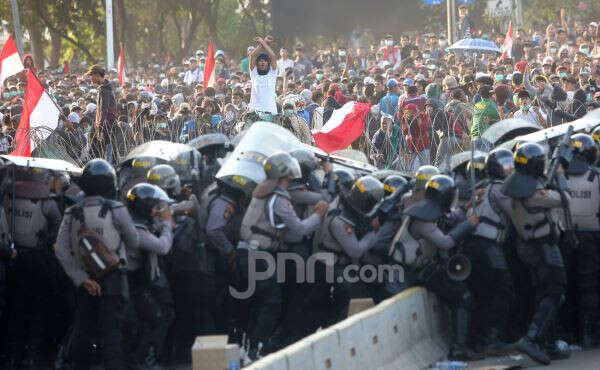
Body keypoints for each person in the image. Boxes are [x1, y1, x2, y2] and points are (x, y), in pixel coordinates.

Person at [237, 151, 327, 359]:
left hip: (246, 252)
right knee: (271, 303)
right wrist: (318, 215)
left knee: (257, 302)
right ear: (287, 174)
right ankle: (256, 349)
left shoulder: (262, 191)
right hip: (258, 256)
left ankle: (246, 347)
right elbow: (300, 229)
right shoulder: (279, 199)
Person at [55, 159, 139, 370]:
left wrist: (82, 279)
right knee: (113, 334)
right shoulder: (116, 209)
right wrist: (119, 259)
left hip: (85, 283)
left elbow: (61, 250)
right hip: (114, 280)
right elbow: (134, 241)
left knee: (84, 330)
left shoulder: (72, 212)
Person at [397, 174, 481, 360]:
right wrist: (468, 225)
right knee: (462, 295)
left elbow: (449, 218)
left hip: (420, 268)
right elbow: (445, 243)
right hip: (415, 272)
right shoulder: (423, 219)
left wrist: (465, 209)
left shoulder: (426, 211)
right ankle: (459, 348)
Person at [501, 143, 570, 365]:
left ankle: (546, 341)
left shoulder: (519, 186)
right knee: (555, 290)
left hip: (529, 246)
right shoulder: (533, 193)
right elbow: (564, 199)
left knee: (544, 292)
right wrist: (559, 176)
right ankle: (532, 339)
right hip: (543, 247)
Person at [3, 166, 61, 368]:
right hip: (36, 259)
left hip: (11, 257)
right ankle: (32, 355)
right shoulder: (47, 201)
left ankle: (11, 354)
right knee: (37, 308)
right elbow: (57, 228)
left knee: (14, 307)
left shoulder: (8, 195)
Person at [463, 148, 515, 355]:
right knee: (503, 291)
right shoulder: (499, 189)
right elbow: (515, 212)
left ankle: (476, 341)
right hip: (488, 246)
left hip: (473, 246)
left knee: (482, 295)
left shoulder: (481, 188)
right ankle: (492, 339)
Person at [125, 183, 175, 369]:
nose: (158, 211)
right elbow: (162, 247)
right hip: (134, 285)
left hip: (139, 283)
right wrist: (167, 225)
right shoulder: (137, 229)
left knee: (156, 319)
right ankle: (146, 361)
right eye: (155, 207)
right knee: (156, 319)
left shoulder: (139, 224)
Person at [562, 134, 600, 348]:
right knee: (589, 286)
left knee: (564, 285)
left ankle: (566, 333)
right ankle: (587, 332)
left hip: (563, 237)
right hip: (590, 238)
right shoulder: (595, 176)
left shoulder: (559, 176)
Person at [86, 65, 118, 160]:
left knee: (96, 152)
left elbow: (104, 109)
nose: (90, 78)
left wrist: (99, 128)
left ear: (97, 75)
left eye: (91, 75)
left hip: (105, 126)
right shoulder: (105, 87)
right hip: (105, 125)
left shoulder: (104, 89)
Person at [248, 36, 278, 118]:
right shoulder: (254, 74)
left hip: (271, 113)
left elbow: (273, 56)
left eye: (265, 61)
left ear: (268, 63)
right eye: (260, 61)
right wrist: (263, 42)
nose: (262, 62)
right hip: (255, 113)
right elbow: (253, 56)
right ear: (257, 63)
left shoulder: (272, 74)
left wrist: (263, 42)